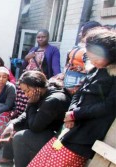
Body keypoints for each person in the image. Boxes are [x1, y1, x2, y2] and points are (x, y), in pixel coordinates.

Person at [28, 28, 116, 167]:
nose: (92, 60)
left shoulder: (113, 74)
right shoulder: (95, 69)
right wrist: (71, 113)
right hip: (68, 128)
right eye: (90, 56)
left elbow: (109, 107)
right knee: (38, 163)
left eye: (96, 56)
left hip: (84, 136)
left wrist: (76, 114)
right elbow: (79, 92)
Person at [0, 71, 71, 167]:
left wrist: (31, 104)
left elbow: (35, 127)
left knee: (20, 137)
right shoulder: (42, 92)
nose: (26, 95)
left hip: (56, 137)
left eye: (27, 91)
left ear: (37, 87)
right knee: (13, 125)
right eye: (23, 91)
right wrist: (12, 124)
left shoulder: (53, 100)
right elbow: (26, 114)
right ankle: (7, 158)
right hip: (44, 127)